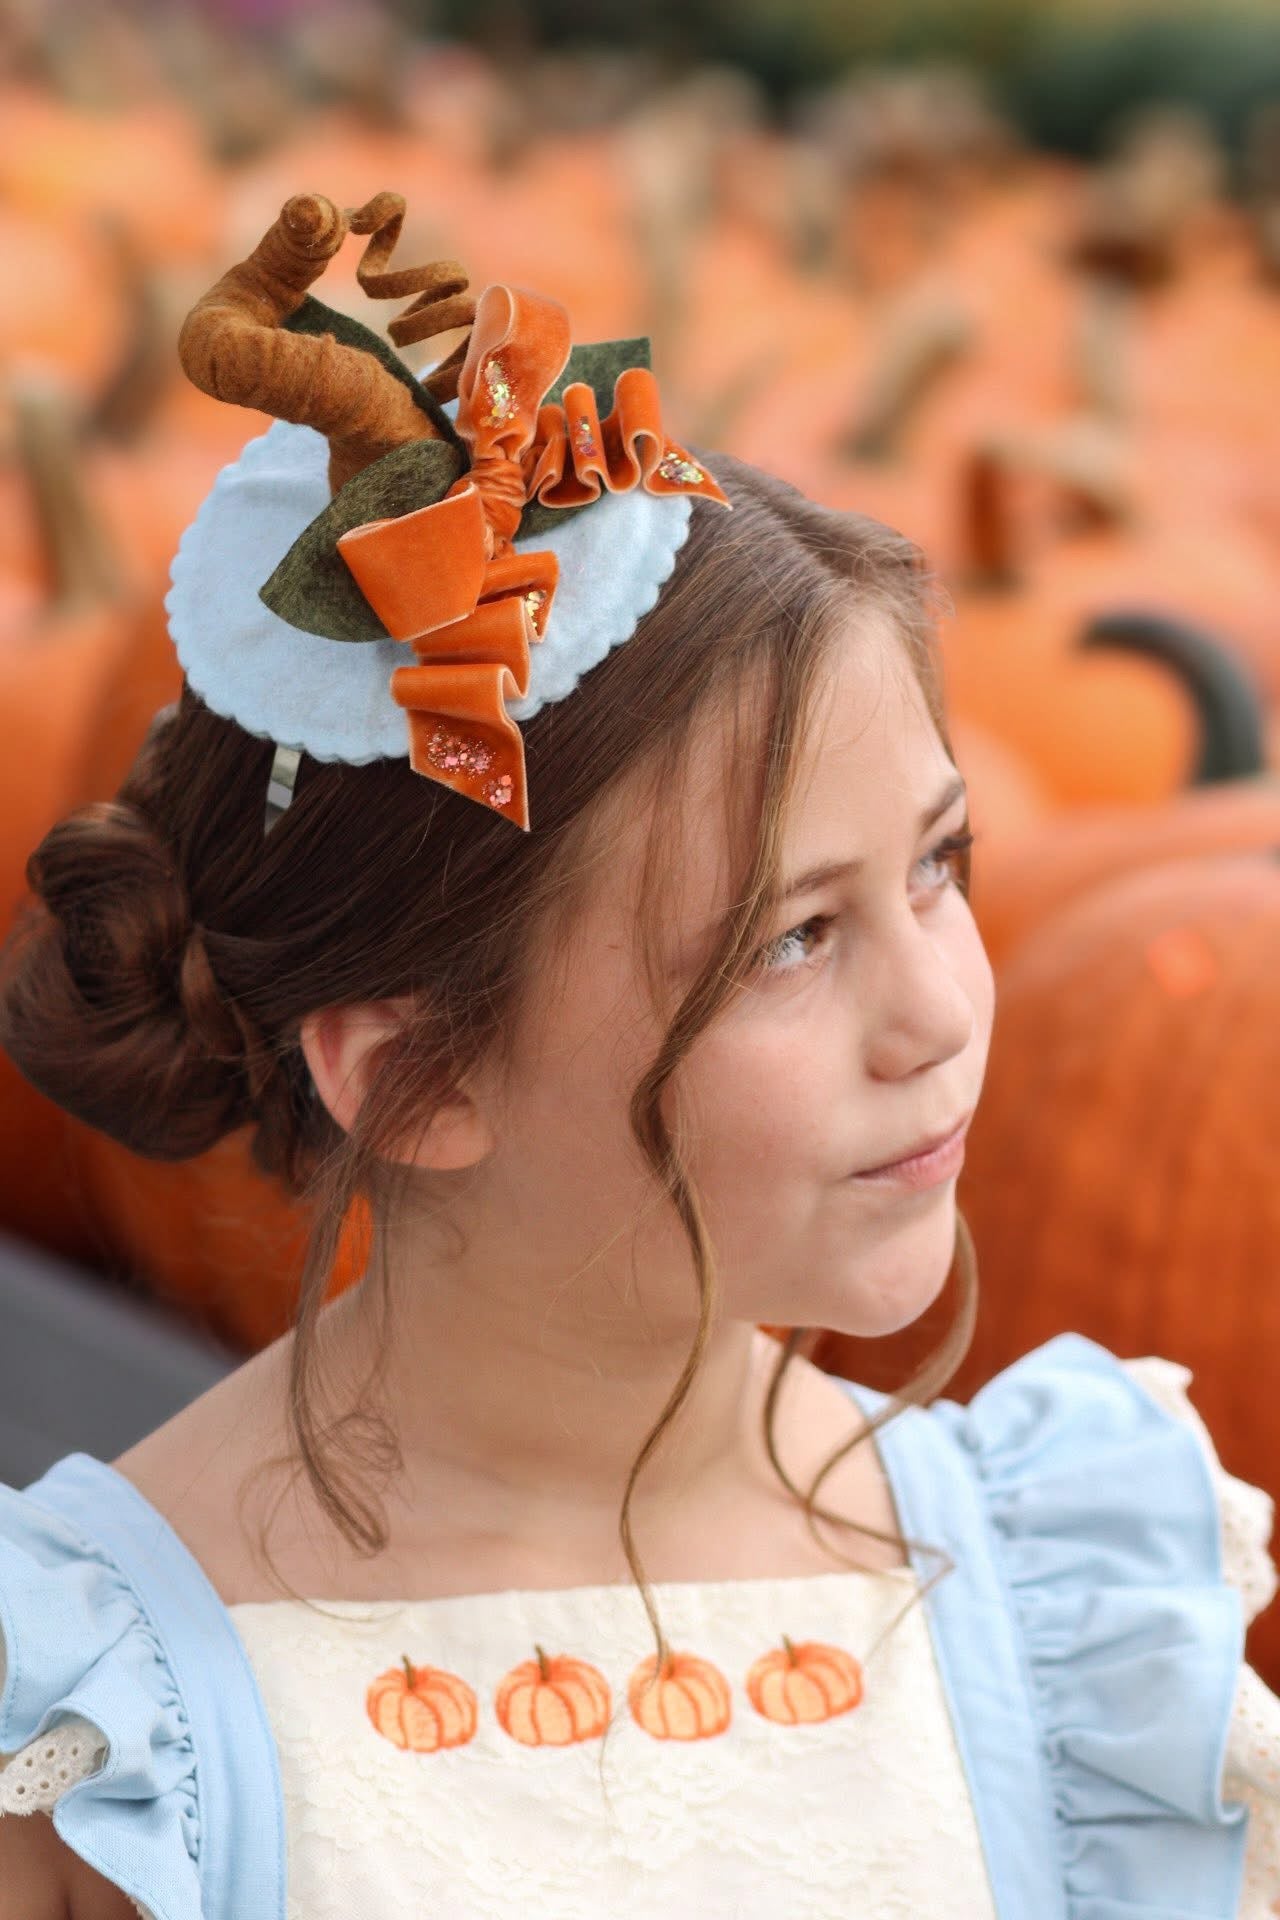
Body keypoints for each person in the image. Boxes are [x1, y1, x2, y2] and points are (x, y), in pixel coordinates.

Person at [0, 189, 1276, 1920]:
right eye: (794, 939)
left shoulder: (1058, 1610)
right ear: (417, 1078)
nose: (947, 1012)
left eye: (941, 866)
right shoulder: (124, 1727)